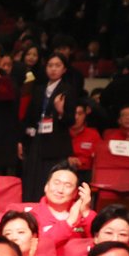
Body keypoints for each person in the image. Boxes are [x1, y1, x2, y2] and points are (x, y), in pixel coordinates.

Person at [20, 53, 80, 201]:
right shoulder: (39, 89)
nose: (53, 69)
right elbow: (29, 116)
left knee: (49, 177)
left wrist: (60, 111)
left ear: (64, 69)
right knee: (32, 178)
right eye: (50, 65)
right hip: (36, 139)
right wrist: (21, 140)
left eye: (57, 66)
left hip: (56, 143)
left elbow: (70, 121)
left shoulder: (68, 90)